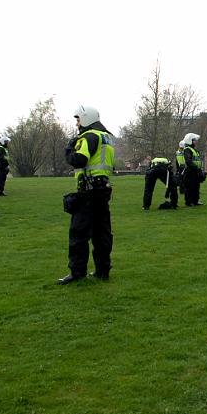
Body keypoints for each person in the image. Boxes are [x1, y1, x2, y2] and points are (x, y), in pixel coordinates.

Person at [58, 105, 115, 285]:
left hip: (88, 192)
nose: (77, 123)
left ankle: (77, 272)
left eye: (78, 119)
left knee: (78, 233)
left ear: (86, 118)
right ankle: (102, 270)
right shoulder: (106, 137)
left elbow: (79, 160)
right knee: (102, 232)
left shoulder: (88, 136)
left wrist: (69, 149)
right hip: (102, 190)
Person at [182, 133, 204, 206]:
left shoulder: (194, 150)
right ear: (190, 141)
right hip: (190, 171)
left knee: (196, 186)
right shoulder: (187, 150)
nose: (195, 141)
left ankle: (195, 201)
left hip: (195, 171)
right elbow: (188, 161)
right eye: (194, 140)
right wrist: (196, 168)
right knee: (189, 187)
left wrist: (199, 169)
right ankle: (189, 202)